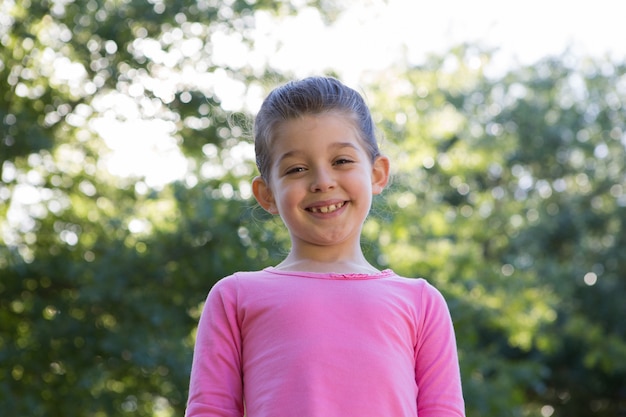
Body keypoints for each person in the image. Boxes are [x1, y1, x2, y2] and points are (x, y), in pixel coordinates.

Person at [185, 76, 465, 417]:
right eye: (297, 169)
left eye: (342, 161)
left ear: (377, 173)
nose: (322, 182)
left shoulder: (421, 303)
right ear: (267, 194)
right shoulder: (235, 298)